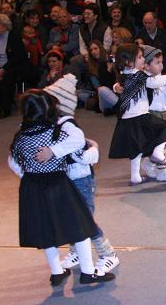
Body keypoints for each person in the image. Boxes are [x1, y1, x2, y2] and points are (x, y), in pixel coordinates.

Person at [7, 90, 114, 286]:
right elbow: (79, 146)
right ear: (49, 108)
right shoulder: (54, 133)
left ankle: (56, 273)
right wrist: (91, 147)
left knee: (46, 229)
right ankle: (88, 272)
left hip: (32, 187)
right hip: (57, 184)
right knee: (79, 226)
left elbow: (13, 162)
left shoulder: (20, 136)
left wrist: (31, 174)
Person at [39, 74, 120, 275]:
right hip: (66, 180)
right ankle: (76, 250)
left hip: (81, 179)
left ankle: (108, 254)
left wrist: (56, 152)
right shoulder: (51, 125)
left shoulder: (67, 126)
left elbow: (81, 150)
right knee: (70, 218)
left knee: (84, 220)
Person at [107, 43, 166, 185]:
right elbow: (153, 83)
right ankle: (157, 153)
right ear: (129, 62)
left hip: (126, 119)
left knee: (136, 148)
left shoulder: (125, 73)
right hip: (139, 116)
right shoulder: (139, 76)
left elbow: (119, 84)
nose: (143, 60)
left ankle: (135, 176)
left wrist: (115, 87)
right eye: (139, 57)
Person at [140, 46, 166, 181]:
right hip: (152, 114)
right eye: (157, 62)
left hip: (165, 113)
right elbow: (154, 83)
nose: (161, 65)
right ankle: (162, 171)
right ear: (146, 65)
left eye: (161, 62)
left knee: (162, 142)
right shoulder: (145, 79)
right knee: (161, 144)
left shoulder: (163, 78)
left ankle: (149, 162)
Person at [0, 13, 27, 119]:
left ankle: (6, 108)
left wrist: (3, 69)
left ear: (5, 25)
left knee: (8, 76)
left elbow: (19, 56)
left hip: (13, 66)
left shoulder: (14, 37)